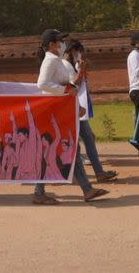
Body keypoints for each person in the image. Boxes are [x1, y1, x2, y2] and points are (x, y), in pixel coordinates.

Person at [32, 29, 108, 205]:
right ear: (51, 44)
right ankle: (85, 189)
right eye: (59, 41)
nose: (62, 45)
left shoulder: (55, 60)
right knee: (67, 149)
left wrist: (76, 105)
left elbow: (68, 86)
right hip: (52, 113)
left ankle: (83, 189)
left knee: (64, 149)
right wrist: (66, 91)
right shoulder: (50, 61)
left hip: (59, 111)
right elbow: (42, 84)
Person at [64, 39, 117, 182]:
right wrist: (81, 71)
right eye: (78, 51)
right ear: (73, 51)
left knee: (87, 138)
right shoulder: (66, 65)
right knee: (75, 142)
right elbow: (71, 85)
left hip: (76, 106)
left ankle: (97, 172)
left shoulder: (71, 65)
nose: (80, 54)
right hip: (71, 107)